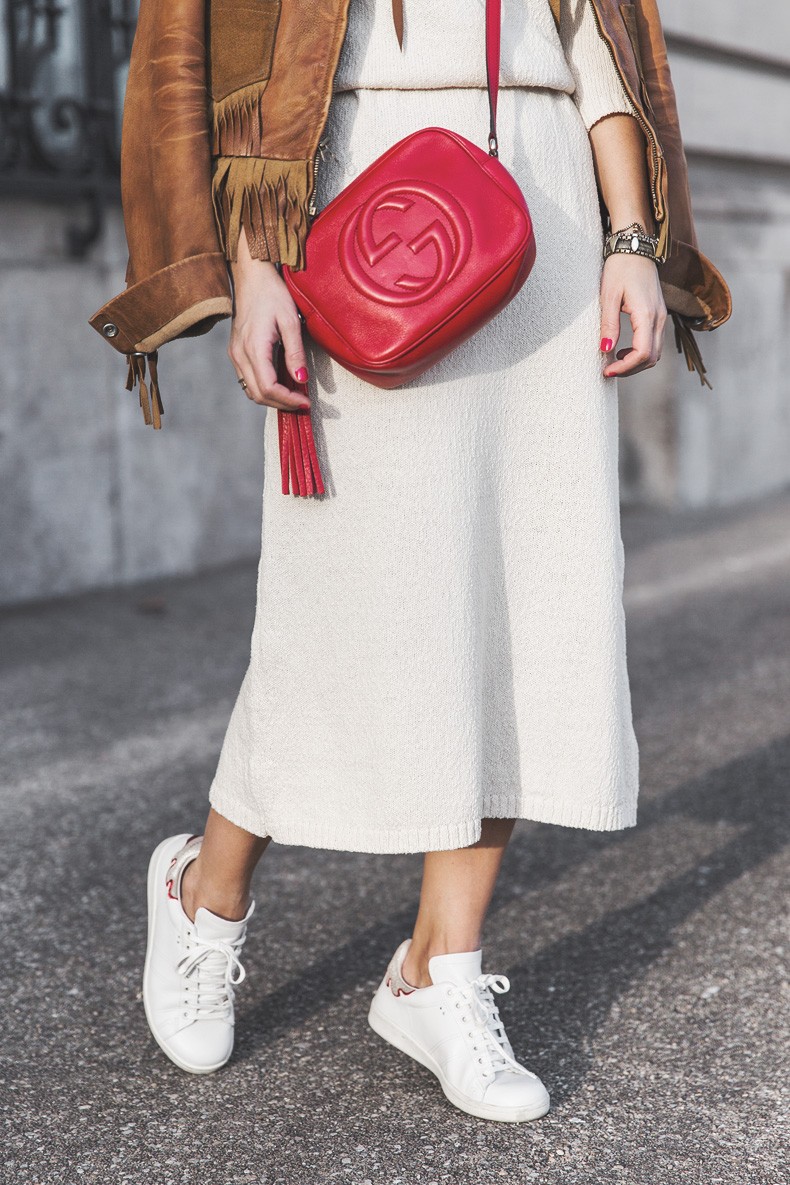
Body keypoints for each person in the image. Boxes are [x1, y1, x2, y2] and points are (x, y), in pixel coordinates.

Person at [95, 0, 731, 1124]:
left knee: (528, 593)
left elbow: (603, 48)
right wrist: (253, 267)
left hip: (543, 212)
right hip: (354, 193)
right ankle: (206, 889)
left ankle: (439, 967)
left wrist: (630, 241)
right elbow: (242, 61)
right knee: (344, 599)